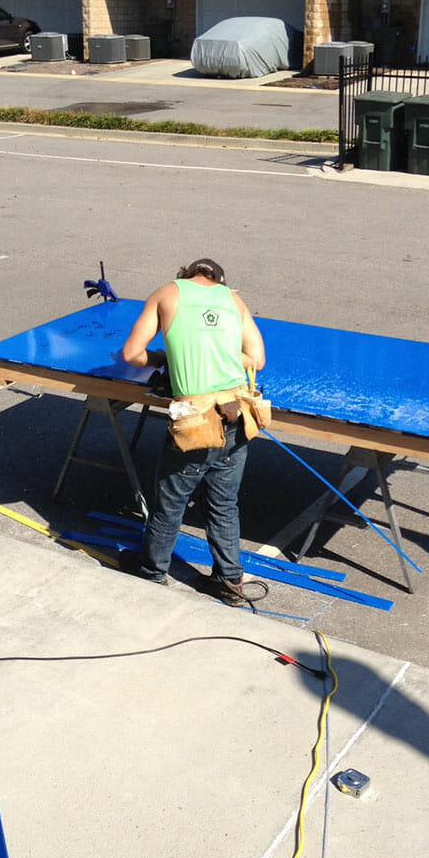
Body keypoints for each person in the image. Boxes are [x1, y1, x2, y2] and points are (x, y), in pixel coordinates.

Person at [120, 258, 266, 604]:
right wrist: (220, 353)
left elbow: (131, 353)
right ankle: (229, 582)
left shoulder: (167, 293)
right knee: (224, 504)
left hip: (195, 420)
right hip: (235, 415)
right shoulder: (234, 299)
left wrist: (163, 359)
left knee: (170, 502)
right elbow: (256, 359)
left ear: (185, 275)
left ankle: (153, 571)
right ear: (219, 280)